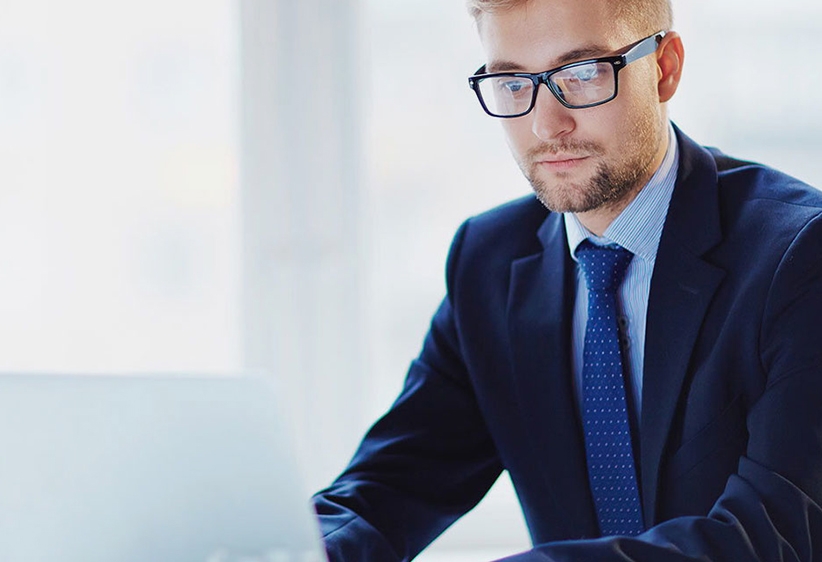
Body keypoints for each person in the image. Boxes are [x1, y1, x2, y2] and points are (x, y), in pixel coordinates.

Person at [312, 0, 822, 560]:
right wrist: (290, 549)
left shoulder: (799, 255)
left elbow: (775, 534)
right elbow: (388, 488)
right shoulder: (488, 263)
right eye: (513, 83)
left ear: (664, 68)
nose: (545, 125)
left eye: (581, 74)